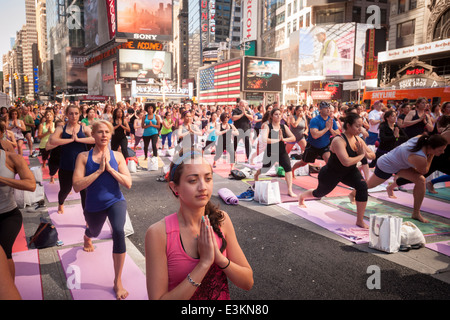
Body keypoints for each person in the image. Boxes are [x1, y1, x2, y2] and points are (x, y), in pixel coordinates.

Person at [144, 149, 253, 300]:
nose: (203, 187)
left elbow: (247, 282)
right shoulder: (158, 233)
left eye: (208, 179)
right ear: (175, 187)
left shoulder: (222, 220)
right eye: (193, 181)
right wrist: (204, 264)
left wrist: (219, 258)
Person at [72, 120, 132, 300]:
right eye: (100, 132)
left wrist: (111, 170)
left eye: (107, 132)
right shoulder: (83, 157)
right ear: (93, 135)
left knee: (119, 231)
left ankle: (117, 281)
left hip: (116, 201)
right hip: (94, 204)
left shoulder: (118, 156)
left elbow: (128, 183)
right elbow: (76, 186)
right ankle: (87, 235)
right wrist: (98, 171)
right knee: (95, 231)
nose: (104, 135)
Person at [299, 113, 375, 228]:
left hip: (349, 172)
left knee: (362, 186)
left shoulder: (358, 139)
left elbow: (372, 155)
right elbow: (346, 161)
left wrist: (364, 154)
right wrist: (362, 155)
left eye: (361, 126)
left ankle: (359, 220)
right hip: (331, 173)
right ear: (348, 126)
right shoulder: (338, 140)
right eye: (357, 126)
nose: (360, 129)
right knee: (319, 193)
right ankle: (302, 196)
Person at [349, 134, 447, 223]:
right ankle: (353, 193)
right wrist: (432, 155)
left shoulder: (421, 138)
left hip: (400, 164)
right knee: (369, 185)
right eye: (440, 150)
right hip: (386, 164)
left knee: (421, 180)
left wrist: (432, 152)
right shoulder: (420, 157)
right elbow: (425, 171)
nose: (443, 152)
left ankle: (416, 213)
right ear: (432, 147)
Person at [48, 105, 95, 213]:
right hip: (66, 165)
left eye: (76, 113)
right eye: (71, 113)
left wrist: (78, 139)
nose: (74, 116)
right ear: (66, 115)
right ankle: (60, 203)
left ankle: (87, 218)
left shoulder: (84, 128)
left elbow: (94, 139)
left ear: (79, 114)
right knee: (65, 190)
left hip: (83, 166)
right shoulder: (61, 128)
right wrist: (70, 140)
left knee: (85, 192)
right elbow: (53, 141)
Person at [0, 144, 36, 280]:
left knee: (4, 251)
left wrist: (1, 179)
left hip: (8, 215)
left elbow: (31, 185)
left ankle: (9, 289)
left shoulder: (12, 158)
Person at [254, 108, 297, 198]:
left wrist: (283, 139)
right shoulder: (267, 126)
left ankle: (289, 190)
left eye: (279, 114)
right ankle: (256, 175)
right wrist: (277, 139)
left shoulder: (283, 127)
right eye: (276, 114)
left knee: (288, 168)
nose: (278, 116)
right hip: (271, 152)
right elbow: (264, 139)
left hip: (282, 152)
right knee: (264, 169)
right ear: (272, 116)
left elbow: (293, 138)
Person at [291, 101, 340, 175]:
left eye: (329, 108)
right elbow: (315, 135)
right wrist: (326, 128)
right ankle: (292, 170)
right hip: (312, 146)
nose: (328, 110)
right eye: (326, 108)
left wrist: (331, 129)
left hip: (324, 146)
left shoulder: (331, 120)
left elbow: (337, 135)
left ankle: (328, 178)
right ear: (320, 110)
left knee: (329, 162)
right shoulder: (315, 120)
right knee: (303, 163)